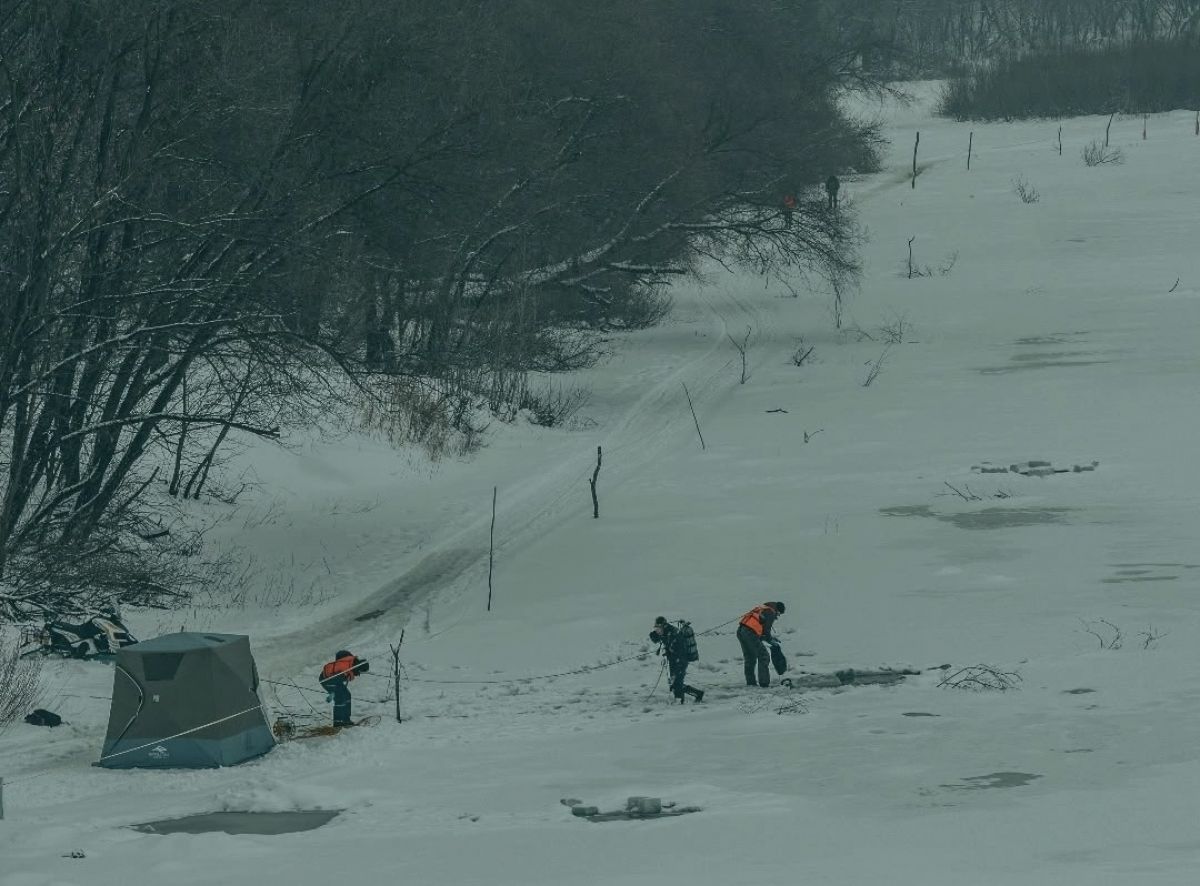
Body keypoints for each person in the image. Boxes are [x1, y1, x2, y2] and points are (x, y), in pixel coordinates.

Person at [649, 617, 704, 704]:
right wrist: (653, 635)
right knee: (674, 684)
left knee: (677, 684)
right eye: (656, 628)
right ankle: (692, 696)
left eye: (658, 628)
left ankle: (682, 701)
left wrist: (676, 660)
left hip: (681, 661)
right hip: (673, 661)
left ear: (664, 626)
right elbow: (657, 638)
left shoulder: (674, 634)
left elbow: (680, 650)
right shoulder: (665, 632)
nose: (657, 631)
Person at [736, 602, 785, 687]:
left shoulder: (763, 609)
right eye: (779, 614)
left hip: (741, 631)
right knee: (764, 656)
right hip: (750, 632)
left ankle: (751, 683)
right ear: (777, 610)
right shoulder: (771, 612)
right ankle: (764, 683)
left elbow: (760, 631)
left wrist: (770, 639)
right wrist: (770, 640)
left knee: (750, 657)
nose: (777, 617)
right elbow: (766, 630)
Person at [319, 650, 369, 727]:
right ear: (359, 667)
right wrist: (332, 693)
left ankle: (346, 720)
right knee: (340, 699)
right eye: (360, 671)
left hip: (335, 680)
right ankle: (338, 723)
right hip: (326, 680)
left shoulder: (351, 663)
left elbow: (340, 654)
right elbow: (335, 680)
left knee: (347, 695)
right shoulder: (346, 669)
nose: (359, 674)